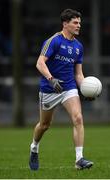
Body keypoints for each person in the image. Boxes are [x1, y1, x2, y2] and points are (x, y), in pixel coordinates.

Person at [29, 8, 94, 170]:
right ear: (65, 24)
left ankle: (79, 160)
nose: (79, 25)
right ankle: (34, 148)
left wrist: (85, 88)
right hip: (49, 89)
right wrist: (51, 80)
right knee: (44, 125)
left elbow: (78, 74)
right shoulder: (54, 41)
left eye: (80, 22)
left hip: (68, 87)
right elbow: (39, 63)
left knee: (78, 118)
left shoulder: (78, 46)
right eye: (75, 22)